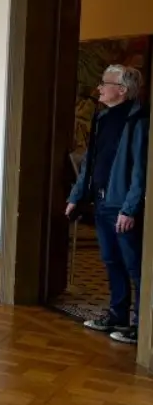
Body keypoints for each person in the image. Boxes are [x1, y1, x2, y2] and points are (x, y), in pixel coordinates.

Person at [66, 64, 149, 345]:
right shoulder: (101, 118)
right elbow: (90, 162)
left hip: (122, 206)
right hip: (100, 202)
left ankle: (141, 326)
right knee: (111, 261)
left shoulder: (139, 121)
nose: (99, 88)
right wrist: (76, 195)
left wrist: (130, 208)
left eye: (105, 83)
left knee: (135, 266)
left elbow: (141, 171)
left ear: (122, 90)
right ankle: (117, 316)